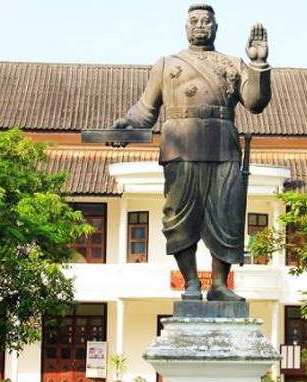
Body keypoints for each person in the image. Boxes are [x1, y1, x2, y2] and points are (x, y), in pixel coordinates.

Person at [112, 4, 271, 301]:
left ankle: (220, 285)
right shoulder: (166, 64)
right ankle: (191, 283)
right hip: (180, 147)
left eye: (206, 21)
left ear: (216, 27)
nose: (200, 25)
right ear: (185, 27)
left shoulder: (232, 63)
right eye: (194, 21)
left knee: (228, 215)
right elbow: (145, 111)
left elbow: (255, 103)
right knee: (179, 217)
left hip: (222, 146)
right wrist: (125, 125)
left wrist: (258, 65)